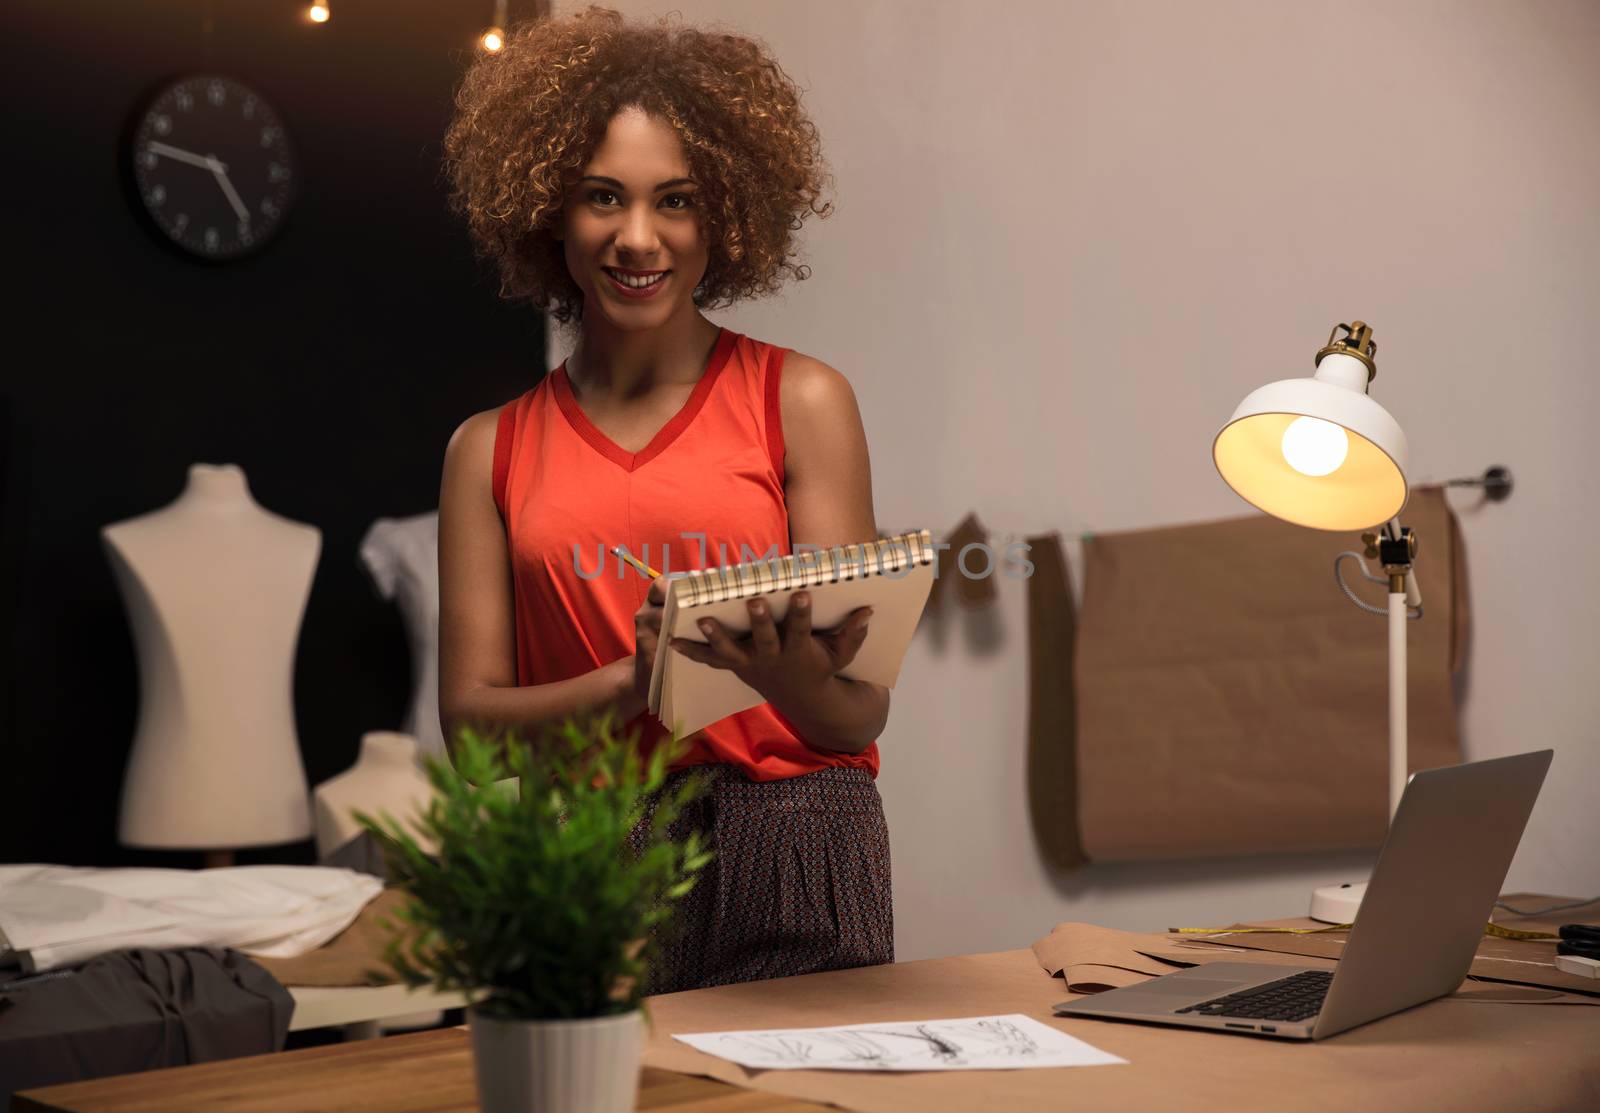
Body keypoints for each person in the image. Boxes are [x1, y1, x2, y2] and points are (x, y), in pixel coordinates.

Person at [435, 6, 892, 993]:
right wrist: (631, 678)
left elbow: (855, 716)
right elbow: (470, 735)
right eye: (603, 197)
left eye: (674, 201)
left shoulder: (801, 401)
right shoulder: (486, 450)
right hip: (585, 847)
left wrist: (778, 672)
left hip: (798, 832)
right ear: (549, 209)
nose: (636, 238)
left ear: (721, 215)